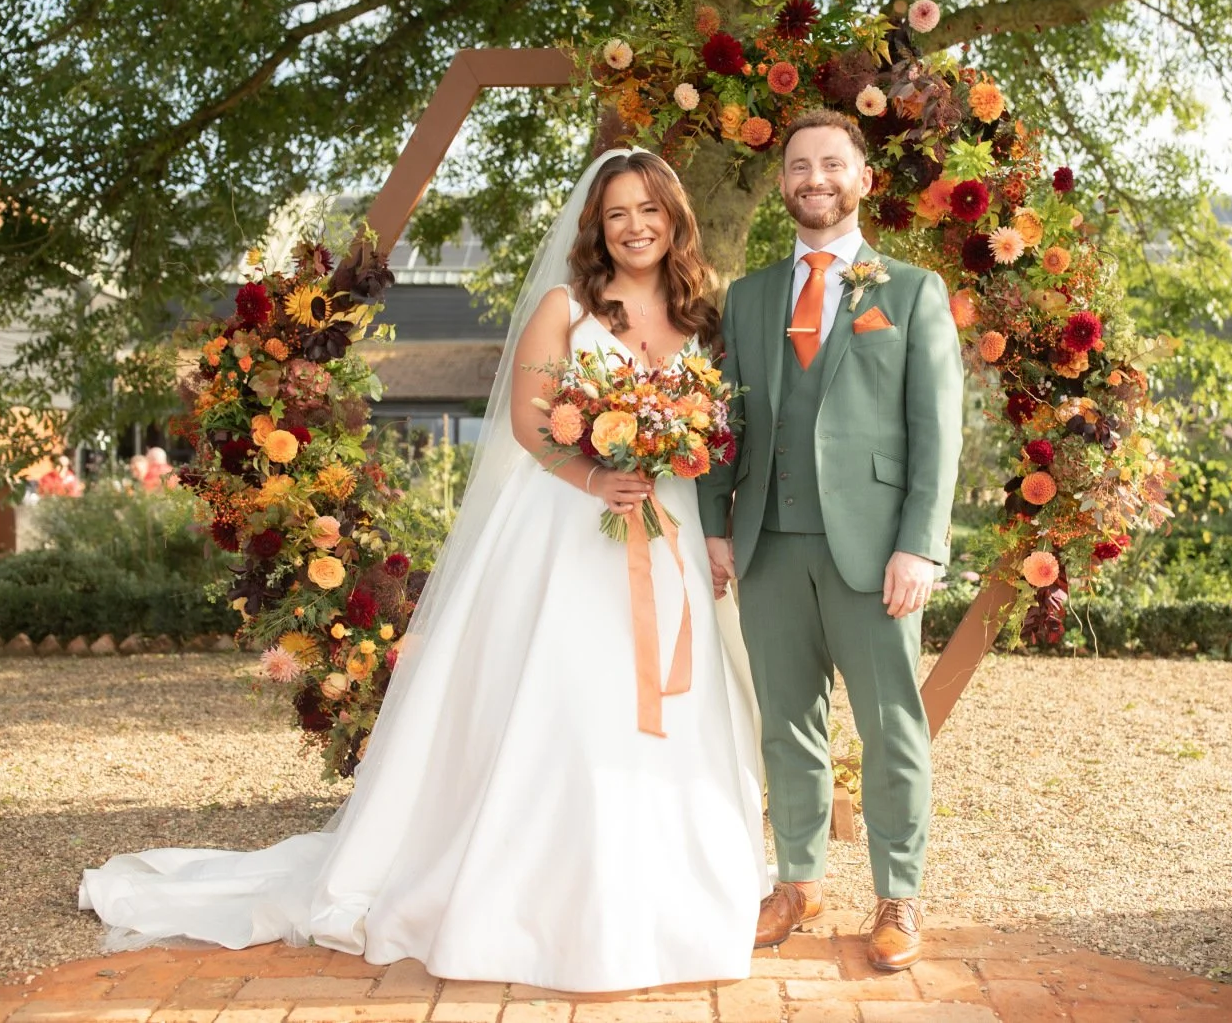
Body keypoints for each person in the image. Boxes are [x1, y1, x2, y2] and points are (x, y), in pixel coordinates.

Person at [79, 149, 769, 992]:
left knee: (668, 704)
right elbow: (527, 420)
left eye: (649, 210)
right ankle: (543, 895)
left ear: (675, 218)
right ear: (596, 224)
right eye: (618, 212)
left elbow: (719, 429)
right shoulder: (567, 306)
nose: (635, 226)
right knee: (574, 696)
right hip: (569, 527)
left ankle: (668, 888)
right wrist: (595, 474)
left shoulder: (704, 315)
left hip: (668, 534)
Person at [698, 109, 964, 971]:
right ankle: (800, 879)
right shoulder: (749, 297)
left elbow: (938, 431)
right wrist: (713, 525)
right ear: (783, 183)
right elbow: (724, 421)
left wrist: (920, 545)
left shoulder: (911, 291)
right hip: (768, 540)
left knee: (892, 724)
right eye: (799, 165)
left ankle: (898, 894)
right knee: (787, 722)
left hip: (875, 549)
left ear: (863, 180)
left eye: (832, 164)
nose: (815, 177)